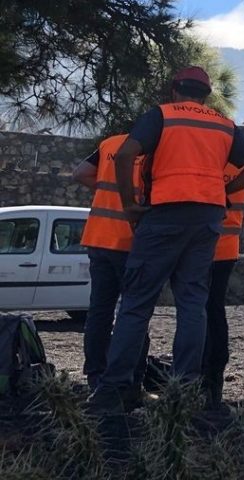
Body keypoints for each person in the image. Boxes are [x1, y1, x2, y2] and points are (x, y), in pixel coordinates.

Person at [88, 66, 244, 413]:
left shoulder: (162, 116)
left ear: (175, 90)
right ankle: (184, 388)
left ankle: (114, 388)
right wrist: (224, 191)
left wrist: (129, 203)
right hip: (206, 221)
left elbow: (125, 154)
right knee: (193, 303)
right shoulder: (223, 125)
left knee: (137, 302)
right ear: (207, 96)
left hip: (165, 215)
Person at [71, 134, 149, 395]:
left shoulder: (109, 144)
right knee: (134, 312)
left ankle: (96, 374)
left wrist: (108, 194)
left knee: (99, 311)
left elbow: (81, 173)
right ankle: (132, 380)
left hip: (98, 237)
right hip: (130, 241)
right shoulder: (152, 147)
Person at [203, 161, 244, 409]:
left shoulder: (206, 164)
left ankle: (202, 374)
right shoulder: (241, 168)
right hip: (227, 248)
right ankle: (214, 377)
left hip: (201, 246)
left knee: (199, 310)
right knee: (215, 310)